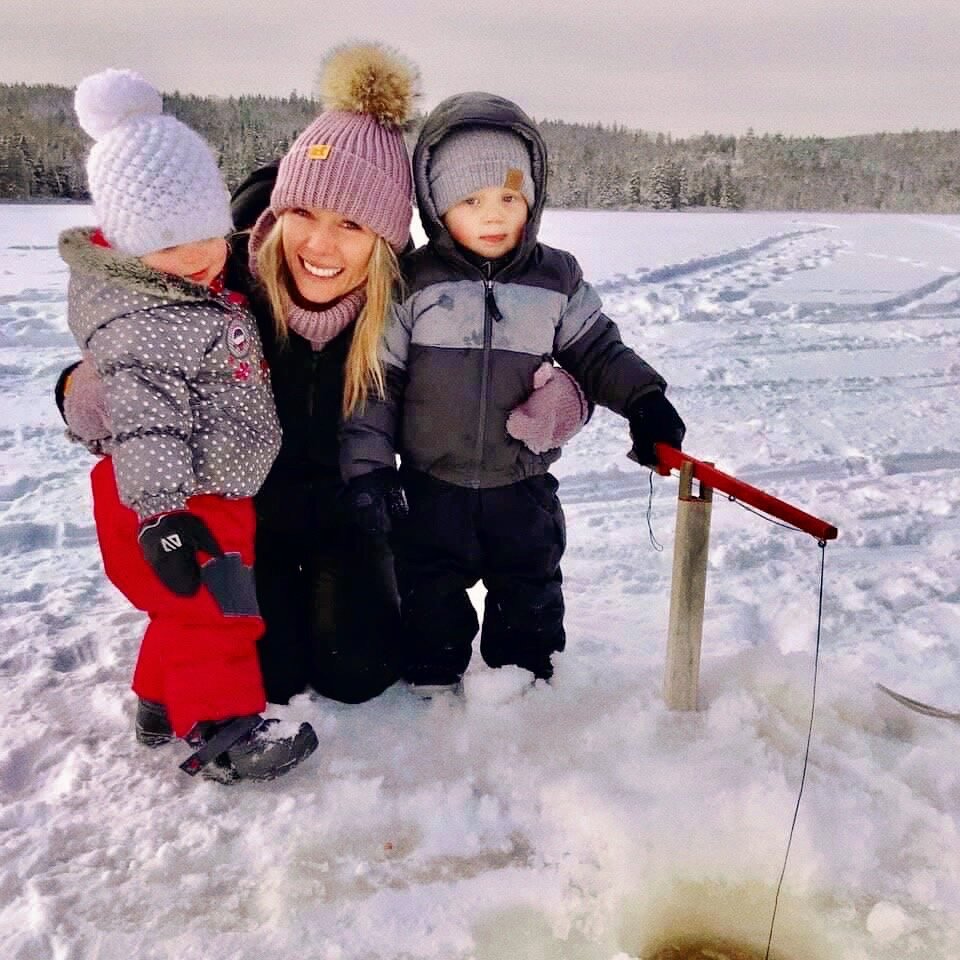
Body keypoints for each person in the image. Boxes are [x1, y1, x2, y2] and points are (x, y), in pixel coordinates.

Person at [59, 47, 590, 713]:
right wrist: (79, 390)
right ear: (279, 214)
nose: (320, 244)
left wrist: (570, 393)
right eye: (305, 215)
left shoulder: (404, 309)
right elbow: (127, 335)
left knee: (358, 674)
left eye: (351, 225)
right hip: (250, 521)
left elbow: (496, 367)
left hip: (351, 520)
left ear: (385, 242)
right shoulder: (222, 288)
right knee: (269, 677)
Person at [340, 92, 687, 693]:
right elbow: (376, 382)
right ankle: (431, 682)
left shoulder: (556, 278)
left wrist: (644, 402)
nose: (493, 216)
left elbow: (599, 351)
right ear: (436, 205)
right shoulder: (411, 283)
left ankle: (524, 686)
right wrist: (369, 470)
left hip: (521, 482)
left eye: (508, 197)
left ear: (532, 197)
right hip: (432, 483)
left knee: (530, 583)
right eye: (470, 201)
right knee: (427, 585)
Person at [58, 68, 318, 782]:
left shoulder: (193, 292)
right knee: (219, 612)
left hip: (203, 488)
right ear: (132, 248)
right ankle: (225, 729)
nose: (201, 255)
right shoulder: (149, 325)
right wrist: (162, 515)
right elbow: (144, 427)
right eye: (172, 246)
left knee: (185, 610)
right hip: (175, 499)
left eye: (207, 233)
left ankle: (156, 701)